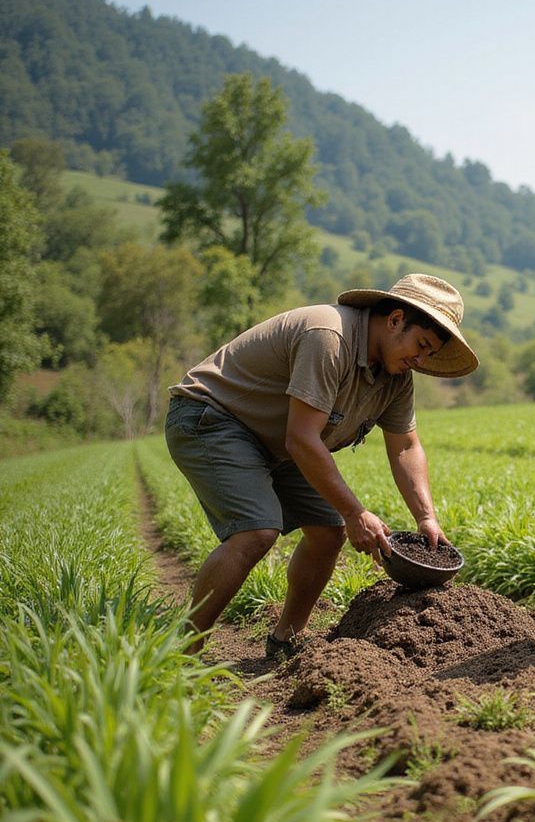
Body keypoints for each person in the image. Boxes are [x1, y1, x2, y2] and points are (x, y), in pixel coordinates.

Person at [165, 273, 477, 658]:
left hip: (277, 441)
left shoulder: (397, 377)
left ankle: (285, 642)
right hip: (212, 417)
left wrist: (426, 518)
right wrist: (355, 511)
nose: (421, 359)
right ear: (395, 319)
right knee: (258, 531)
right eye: (422, 345)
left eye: (430, 353)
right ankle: (181, 653)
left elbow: (406, 447)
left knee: (329, 533)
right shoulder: (330, 336)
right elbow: (302, 438)